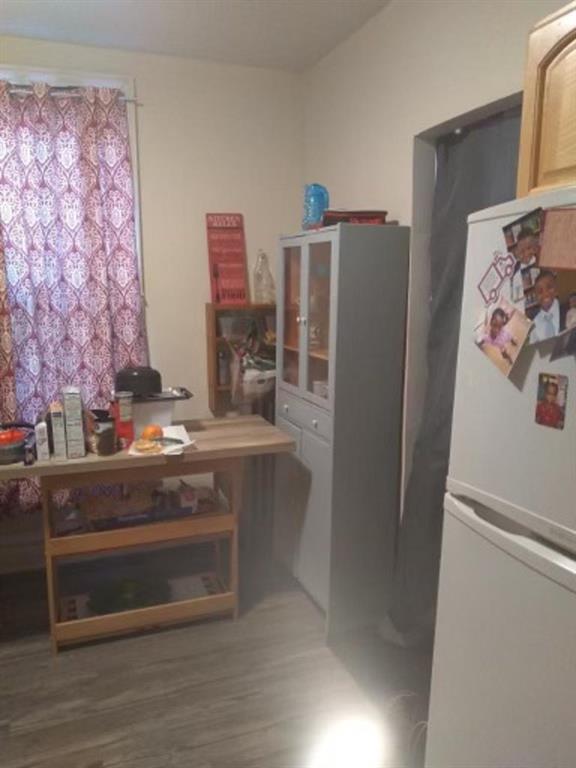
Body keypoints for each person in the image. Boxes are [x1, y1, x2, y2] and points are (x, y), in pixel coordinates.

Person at [531, 270, 567, 342]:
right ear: (535, 297)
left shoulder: (568, 310)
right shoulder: (534, 325)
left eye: (549, 287)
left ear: (556, 288)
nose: (545, 293)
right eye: (540, 291)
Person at [510, 228, 540, 306]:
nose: (526, 253)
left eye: (529, 248)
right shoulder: (515, 272)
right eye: (522, 251)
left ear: (536, 246)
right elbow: (515, 299)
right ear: (517, 252)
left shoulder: (542, 260)